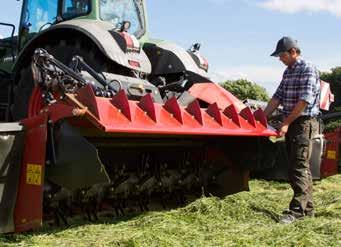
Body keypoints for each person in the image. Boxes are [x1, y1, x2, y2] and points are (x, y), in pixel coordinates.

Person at [264, 36, 321, 224]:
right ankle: (308, 209)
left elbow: (304, 101)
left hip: (303, 122)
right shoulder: (288, 72)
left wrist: (286, 122)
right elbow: (277, 97)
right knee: (297, 166)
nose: (280, 59)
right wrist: (262, 117)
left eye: (282, 55)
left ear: (293, 52)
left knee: (298, 166)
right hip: (293, 121)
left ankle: (296, 211)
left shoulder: (308, 69)